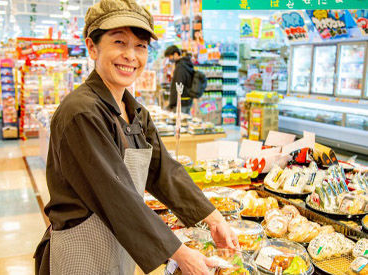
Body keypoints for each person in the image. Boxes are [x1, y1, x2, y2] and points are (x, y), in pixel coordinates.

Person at [34, 0, 238, 274]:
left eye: (140, 46)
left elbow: (163, 170)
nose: (131, 55)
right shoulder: (80, 113)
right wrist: (180, 254)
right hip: (80, 252)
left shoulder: (135, 111)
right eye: (119, 42)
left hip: (118, 244)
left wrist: (212, 217)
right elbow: (117, 196)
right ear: (92, 47)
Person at [164, 45, 194, 114]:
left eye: (170, 56)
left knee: (180, 123)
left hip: (181, 102)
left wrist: (172, 103)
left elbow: (178, 86)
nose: (169, 59)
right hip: (187, 100)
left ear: (176, 54)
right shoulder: (186, 64)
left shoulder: (180, 67)